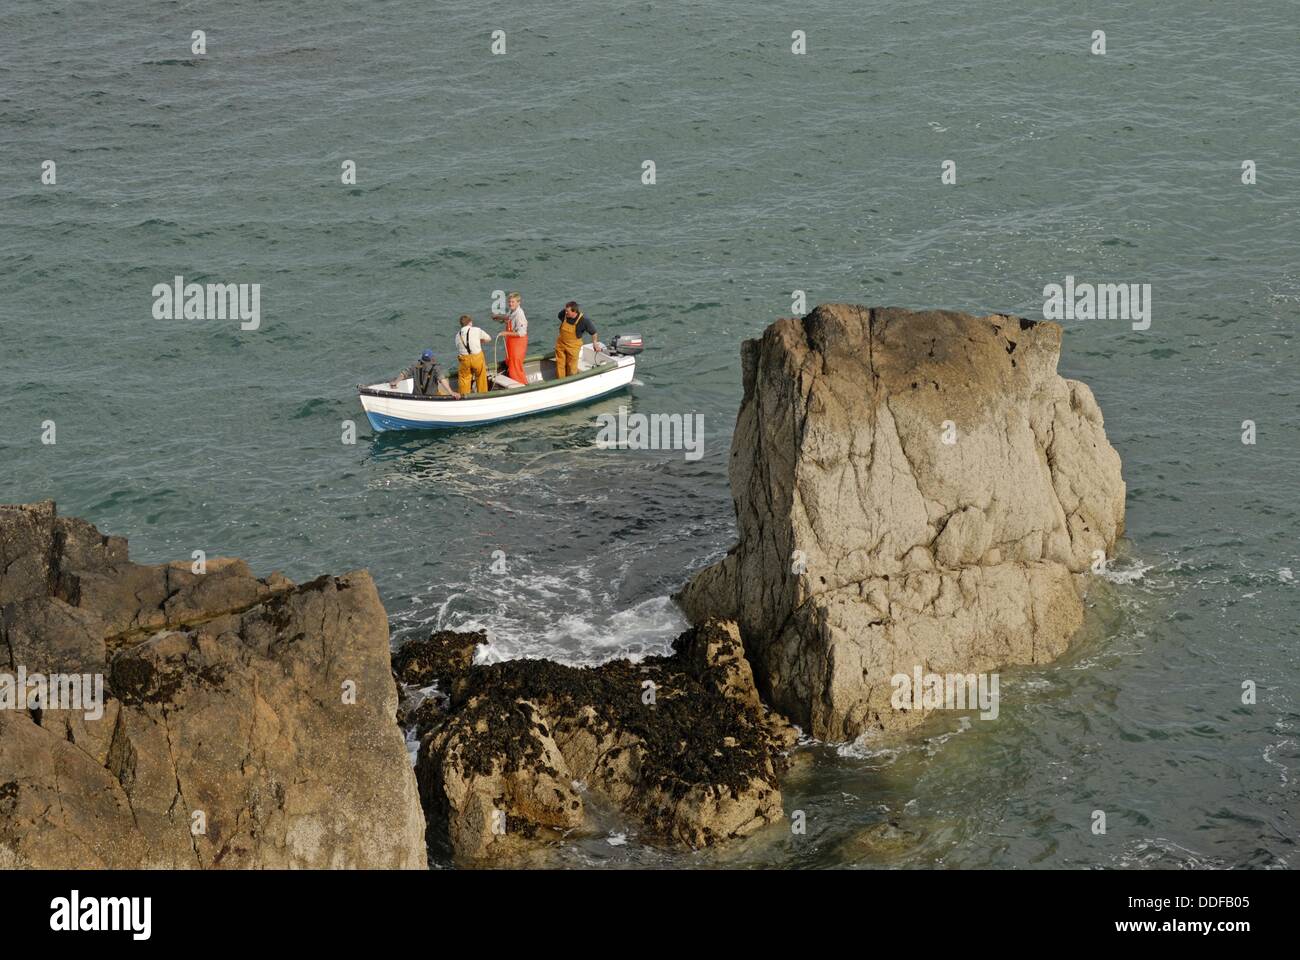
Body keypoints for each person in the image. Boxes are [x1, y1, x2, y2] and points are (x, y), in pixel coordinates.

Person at [553, 300, 599, 378]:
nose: (566, 313)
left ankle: (571, 380)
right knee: (560, 363)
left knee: (572, 366)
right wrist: (566, 312)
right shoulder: (563, 314)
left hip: (573, 346)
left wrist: (595, 343)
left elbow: (594, 333)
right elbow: (560, 316)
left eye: (568, 312)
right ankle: (560, 381)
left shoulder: (584, 320)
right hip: (561, 343)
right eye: (565, 311)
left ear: (574, 312)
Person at [490, 291, 528, 384]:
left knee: (515, 365)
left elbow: (521, 333)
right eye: (509, 302)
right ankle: (513, 380)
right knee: (509, 362)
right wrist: (498, 317)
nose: (510, 304)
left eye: (513, 302)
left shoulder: (520, 314)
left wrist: (505, 333)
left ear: (518, 302)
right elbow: (508, 317)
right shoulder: (512, 311)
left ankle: (521, 384)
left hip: (518, 343)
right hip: (511, 342)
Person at [390, 349, 459, 398]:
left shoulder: (415, 365)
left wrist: (395, 382)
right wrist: (451, 392)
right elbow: (442, 380)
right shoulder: (436, 368)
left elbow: (403, 374)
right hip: (432, 397)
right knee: (442, 392)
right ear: (432, 358)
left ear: (422, 358)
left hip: (416, 396)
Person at [455, 314, 493, 395]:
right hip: (477, 358)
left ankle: (464, 398)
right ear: (470, 322)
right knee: (480, 376)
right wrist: (480, 341)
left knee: (464, 379)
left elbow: (458, 347)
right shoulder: (476, 330)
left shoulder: (457, 335)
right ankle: (483, 396)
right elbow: (488, 338)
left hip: (464, 359)